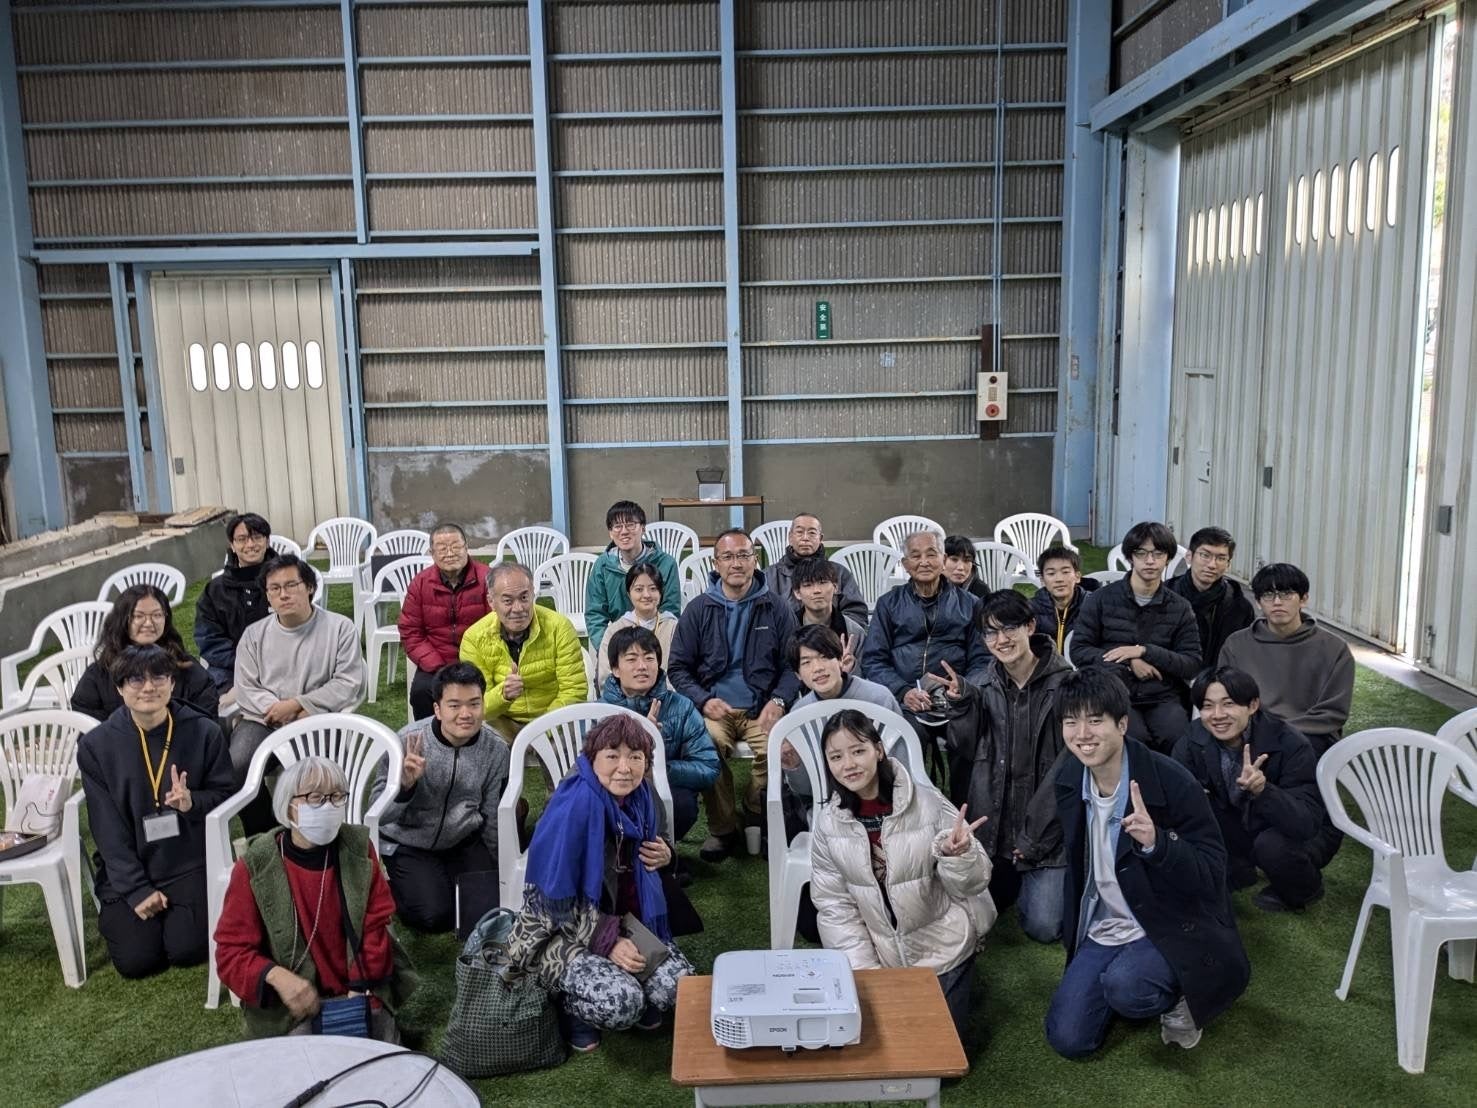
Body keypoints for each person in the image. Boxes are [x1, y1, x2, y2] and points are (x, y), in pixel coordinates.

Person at [1043, 667, 1249, 1059]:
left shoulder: (1172, 781)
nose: (1082, 734)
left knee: (1128, 988)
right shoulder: (1070, 776)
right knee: (1069, 1040)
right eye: (1071, 722)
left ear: (1122, 724)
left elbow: (1212, 874)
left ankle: (1180, 996)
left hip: (1168, 919)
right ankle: (1131, 974)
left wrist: (1159, 844)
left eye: (1095, 721)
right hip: (1107, 924)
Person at [506, 714, 693, 1053]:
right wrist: (608, 942)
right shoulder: (573, 807)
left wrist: (667, 854)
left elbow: (660, 840)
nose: (625, 768)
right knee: (623, 1004)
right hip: (564, 931)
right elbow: (552, 905)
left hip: (630, 921)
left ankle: (636, 983)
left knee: (679, 989)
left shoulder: (643, 795)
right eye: (612, 756)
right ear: (592, 758)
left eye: (635, 757)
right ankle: (569, 1008)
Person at [809, 709, 996, 1043]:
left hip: (944, 948)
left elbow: (974, 883)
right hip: (884, 956)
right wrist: (868, 976)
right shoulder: (828, 823)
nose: (848, 764)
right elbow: (834, 906)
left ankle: (963, 978)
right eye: (836, 757)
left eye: (858, 750)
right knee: (889, 1044)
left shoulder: (927, 802)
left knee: (940, 1054)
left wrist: (959, 855)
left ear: (879, 750)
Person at [213, 756, 417, 1039]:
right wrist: (276, 977)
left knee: (379, 1051)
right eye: (315, 798)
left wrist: (359, 986)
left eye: (336, 796)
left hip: (358, 988)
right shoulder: (254, 866)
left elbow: (376, 925)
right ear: (289, 805)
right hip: (292, 1004)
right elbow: (230, 953)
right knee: (304, 1057)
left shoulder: (359, 848)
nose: (329, 806)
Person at [77, 645, 234, 979]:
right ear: (120, 688)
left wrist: (192, 802)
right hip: (130, 865)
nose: (148, 687)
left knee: (187, 949)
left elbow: (224, 796)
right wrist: (136, 889)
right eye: (136, 679)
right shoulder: (96, 746)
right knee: (137, 961)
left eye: (158, 677)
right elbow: (106, 829)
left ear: (172, 683)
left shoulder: (205, 731)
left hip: (188, 861)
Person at [942, 591, 1071, 943]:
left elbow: (1067, 771)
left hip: (1044, 831)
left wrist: (1035, 840)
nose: (1001, 640)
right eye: (990, 632)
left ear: (1030, 626)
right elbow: (964, 748)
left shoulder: (1064, 685)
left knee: (1044, 927)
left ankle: (1035, 870)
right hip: (994, 827)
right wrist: (961, 706)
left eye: (1009, 628)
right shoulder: (983, 685)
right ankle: (1010, 872)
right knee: (965, 908)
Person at [668, 528, 799, 862]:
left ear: (755, 560)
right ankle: (723, 828)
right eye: (727, 556)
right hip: (716, 708)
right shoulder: (698, 609)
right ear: (716, 564)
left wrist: (778, 700)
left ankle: (754, 810)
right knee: (706, 748)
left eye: (743, 555)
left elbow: (792, 666)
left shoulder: (776, 607)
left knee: (777, 749)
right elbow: (678, 668)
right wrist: (702, 700)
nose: (736, 563)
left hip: (762, 706)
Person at [1172, 667, 1336, 912]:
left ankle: (1306, 888)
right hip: (1241, 820)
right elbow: (1175, 793)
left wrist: (1264, 791)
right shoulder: (1193, 738)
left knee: (1272, 846)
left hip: (1300, 831)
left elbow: (1306, 823)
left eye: (1228, 704)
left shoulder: (1290, 743)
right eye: (1207, 706)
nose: (1217, 715)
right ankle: (1239, 869)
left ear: (1253, 705)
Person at [367, 663, 510, 934]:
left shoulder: (496, 749)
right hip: (409, 842)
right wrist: (405, 787)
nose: (466, 714)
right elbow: (378, 815)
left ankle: (446, 880)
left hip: (461, 840)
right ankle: (395, 886)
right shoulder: (406, 742)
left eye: (474, 704)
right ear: (437, 709)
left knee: (482, 915)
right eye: (454, 705)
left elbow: (491, 814)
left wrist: (498, 868)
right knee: (434, 916)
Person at [233, 554, 366, 834]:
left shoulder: (340, 628)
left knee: (320, 776)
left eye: (291, 585)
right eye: (275, 588)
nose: (283, 594)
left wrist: (298, 704)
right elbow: (246, 688)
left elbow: (348, 682)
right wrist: (277, 710)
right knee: (237, 766)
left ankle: (324, 835)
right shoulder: (253, 635)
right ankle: (266, 834)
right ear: (267, 595)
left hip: (317, 718)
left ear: (309, 587)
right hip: (264, 720)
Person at [861, 530, 987, 799]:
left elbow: (982, 659)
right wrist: (903, 691)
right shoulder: (889, 603)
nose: (924, 562)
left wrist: (963, 687)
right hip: (906, 699)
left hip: (955, 701)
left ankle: (965, 809)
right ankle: (911, 807)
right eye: (915, 556)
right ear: (905, 564)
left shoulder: (970, 604)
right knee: (906, 738)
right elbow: (874, 659)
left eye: (932, 554)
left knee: (968, 737)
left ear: (943, 559)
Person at [1069, 522, 1202, 751]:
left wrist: (1145, 651)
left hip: (1163, 695)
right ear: (1130, 557)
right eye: (1141, 553)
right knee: (1132, 739)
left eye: (1158, 553)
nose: (1150, 561)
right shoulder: (1101, 599)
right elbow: (1079, 650)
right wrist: (1129, 661)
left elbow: (1191, 664)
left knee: (1178, 739)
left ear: (1168, 558)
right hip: (1113, 692)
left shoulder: (1180, 607)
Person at [1218, 562, 1355, 759]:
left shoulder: (1334, 648)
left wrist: (1281, 732)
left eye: (1286, 594)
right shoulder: (1236, 645)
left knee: (1295, 752)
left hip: (1311, 736)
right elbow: (1227, 697)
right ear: (1258, 602)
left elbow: (1333, 712)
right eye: (1268, 595)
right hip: (1252, 732)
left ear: (1303, 599)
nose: (1277, 602)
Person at [599, 626, 719, 844]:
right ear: (615, 668)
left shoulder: (681, 707)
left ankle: (659, 850)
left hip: (659, 785)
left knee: (682, 803)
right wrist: (636, 745)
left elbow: (708, 767)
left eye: (649, 658)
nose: (642, 666)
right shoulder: (599, 711)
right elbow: (586, 767)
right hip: (612, 788)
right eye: (632, 659)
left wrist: (658, 770)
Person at [460, 563, 587, 742]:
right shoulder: (474, 638)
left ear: (533, 594)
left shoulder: (559, 627)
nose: (518, 608)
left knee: (571, 742)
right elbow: (476, 703)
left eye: (524, 597)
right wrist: (503, 695)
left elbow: (574, 690)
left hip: (552, 719)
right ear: (491, 602)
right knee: (476, 736)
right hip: (502, 722)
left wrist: (541, 731)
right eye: (508, 601)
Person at [72, 584, 219, 723]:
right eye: (138, 616)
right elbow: (86, 723)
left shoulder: (185, 666)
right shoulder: (99, 674)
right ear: (122, 620)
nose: (149, 623)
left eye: (157, 615)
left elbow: (206, 716)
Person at [398, 523, 491, 723]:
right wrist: (438, 667)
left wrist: (477, 661)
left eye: (455, 547)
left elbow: (497, 625)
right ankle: (432, 738)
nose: (449, 554)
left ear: (467, 547)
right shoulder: (421, 583)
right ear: (432, 553)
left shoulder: (487, 578)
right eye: (442, 549)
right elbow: (410, 631)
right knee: (421, 692)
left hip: (480, 659)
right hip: (436, 661)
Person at [585, 500, 681, 656]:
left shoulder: (666, 564)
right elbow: (595, 614)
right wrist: (609, 650)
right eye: (617, 526)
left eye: (630, 525)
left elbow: (670, 610)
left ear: (643, 528)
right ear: (610, 532)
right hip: (617, 643)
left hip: (657, 642)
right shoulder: (602, 566)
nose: (624, 532)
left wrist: (651, 650)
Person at [194, 511, 273, 692]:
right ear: (232, 545)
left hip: (282, 665)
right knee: (219, 700)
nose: (250, 544)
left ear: (267, 541)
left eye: (257, 537)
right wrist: (243, 662)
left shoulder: (285, 582)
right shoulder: (215, 590)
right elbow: (209, 638)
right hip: (230, 668)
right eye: (242, 539)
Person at [1167, 527, 1254, 669]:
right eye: (1205, 555)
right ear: (1189, 556)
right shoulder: (1165, 595)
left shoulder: (1239, 607)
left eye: (1221, 558)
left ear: (1228, 564)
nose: (1212, 565)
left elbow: (1243, 657)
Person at [765, 513, 869, 627]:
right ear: (790, 537)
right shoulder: (768, 576)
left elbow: (856, 614)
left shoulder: (839, 573)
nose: (805, 538)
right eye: (799, 532)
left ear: (820, 538)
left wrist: (833, 631)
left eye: (812, 533)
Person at [595, 562, 679, 689]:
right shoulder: (615, 630)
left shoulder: (674, 628)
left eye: (653, 589)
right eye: (639, 589)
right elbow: (606, 677)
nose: (646, 595)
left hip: (667, 697)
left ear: (661, 593)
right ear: (629, 593)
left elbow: (682, 671)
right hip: (625, 698)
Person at [790, 556, 866, 660]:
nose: (816, 590)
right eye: (808, 585)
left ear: (835, 587)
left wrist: (852, 667)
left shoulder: (854, 632)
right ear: (797, 593)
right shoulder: (787, 630)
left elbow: (867, 667)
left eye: (822, 582)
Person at [1029, 545, 1100, 655]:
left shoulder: (1094, 605)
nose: (1059, 579)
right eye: (1051, 573)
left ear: (1077, 576)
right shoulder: (1030, 609)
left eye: (1065, 572)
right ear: (1042, 580)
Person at [943, 535, 992, 600]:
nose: (961, 567)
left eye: (967, 560)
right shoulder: (931, 587)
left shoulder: (981, 591)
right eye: (954, 559)